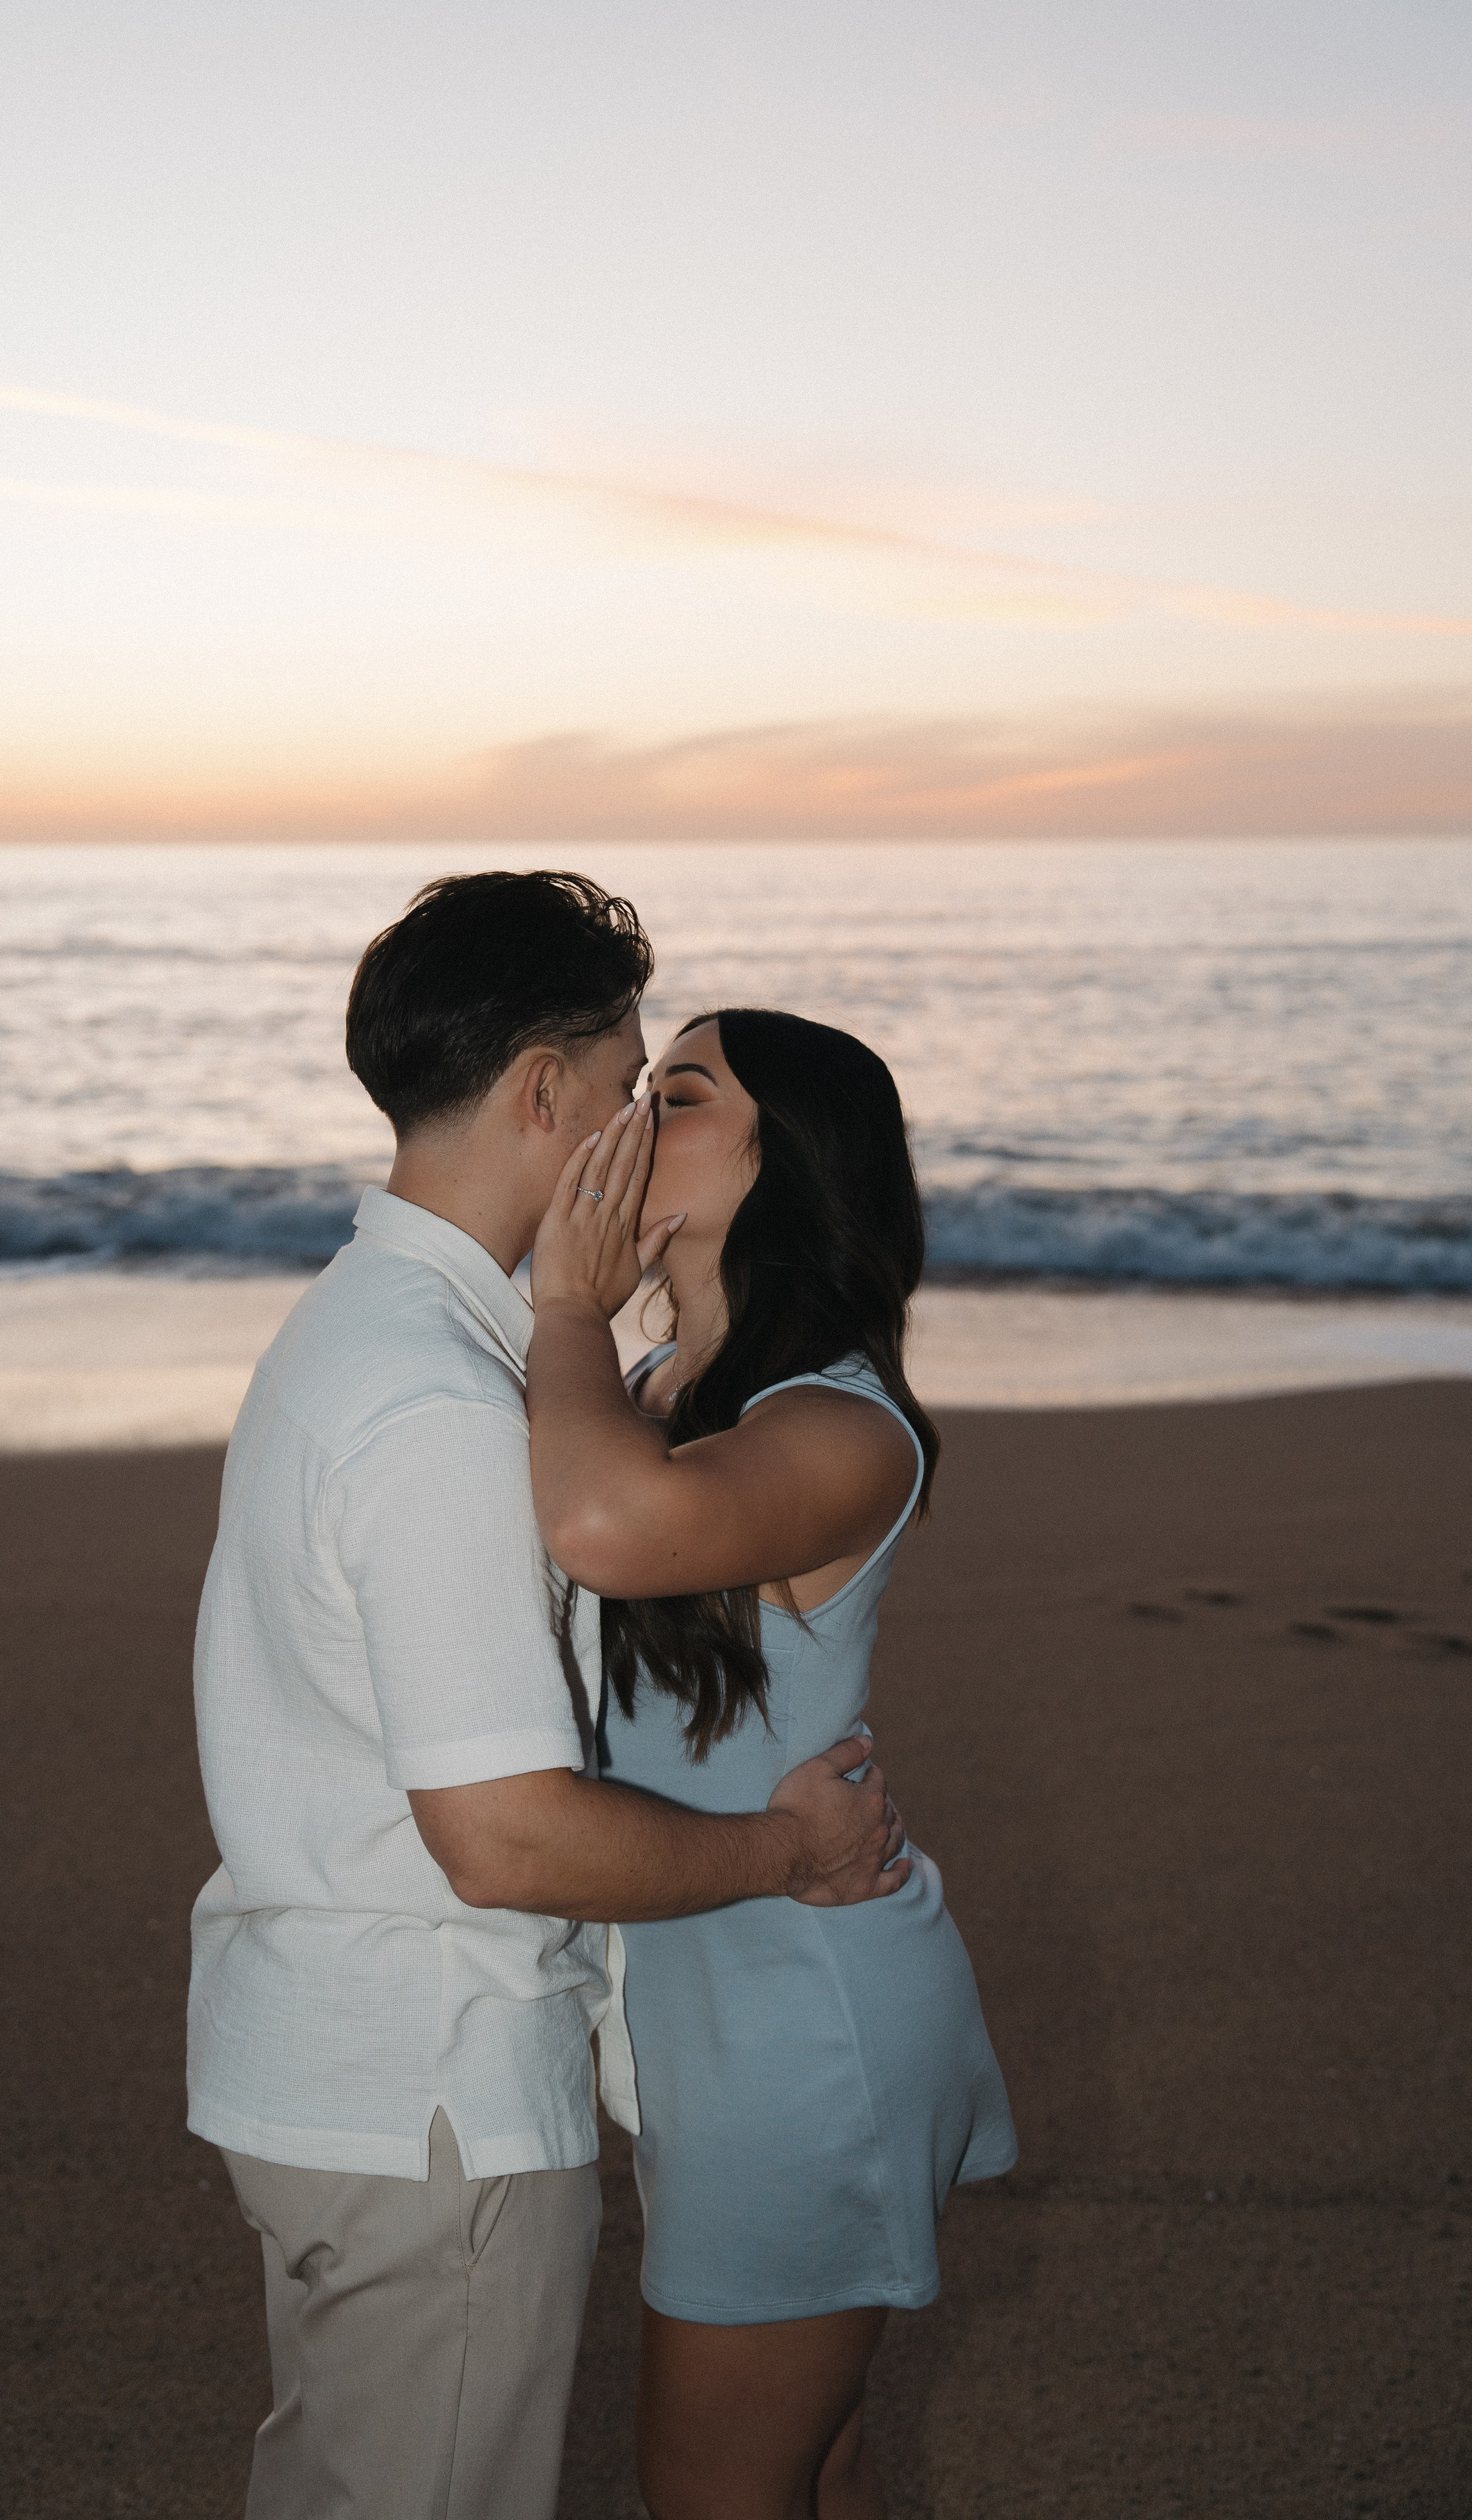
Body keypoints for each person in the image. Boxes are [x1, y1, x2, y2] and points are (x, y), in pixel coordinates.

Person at [186, 875, 910, 2520]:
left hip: (332, 2059)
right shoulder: (442, 1401)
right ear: (542, 1095)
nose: (637, 1128)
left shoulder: (362, 1329)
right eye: (628, 1085)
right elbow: (507, 1841)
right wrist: (779, 1854)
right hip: (425, 2095)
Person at [526, 1008, 1017, 2520]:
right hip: (722, 2005)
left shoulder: (843, 1426)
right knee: (812, 2463)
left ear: (791, 1168)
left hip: (806, 2026)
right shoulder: (664, 1391)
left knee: (713, 2493)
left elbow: (605, 1534)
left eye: (679, 1097)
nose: (632, 1118)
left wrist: (561, 1314)